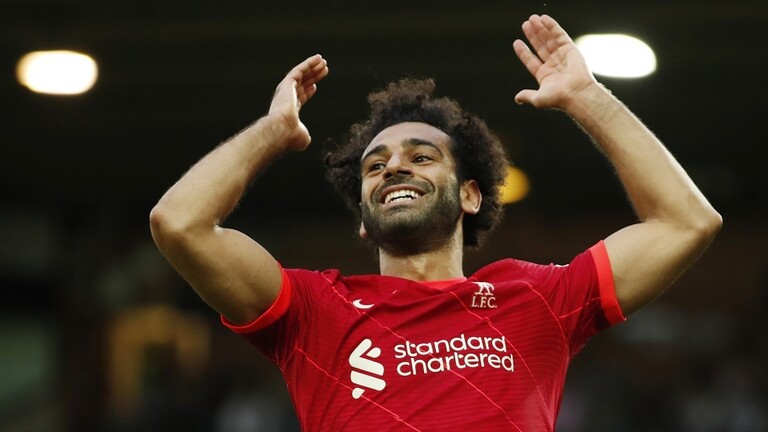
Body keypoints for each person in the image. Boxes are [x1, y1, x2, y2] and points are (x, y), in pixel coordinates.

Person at [149, 14, 721, 431]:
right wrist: (273, 131)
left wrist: (587, 98)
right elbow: (179, 224)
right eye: (375, 166)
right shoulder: (312, 313)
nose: (394, 166)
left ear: (470, 195)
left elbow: (686, 222)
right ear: (364, 222)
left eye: (421, 156)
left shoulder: (537, 300)